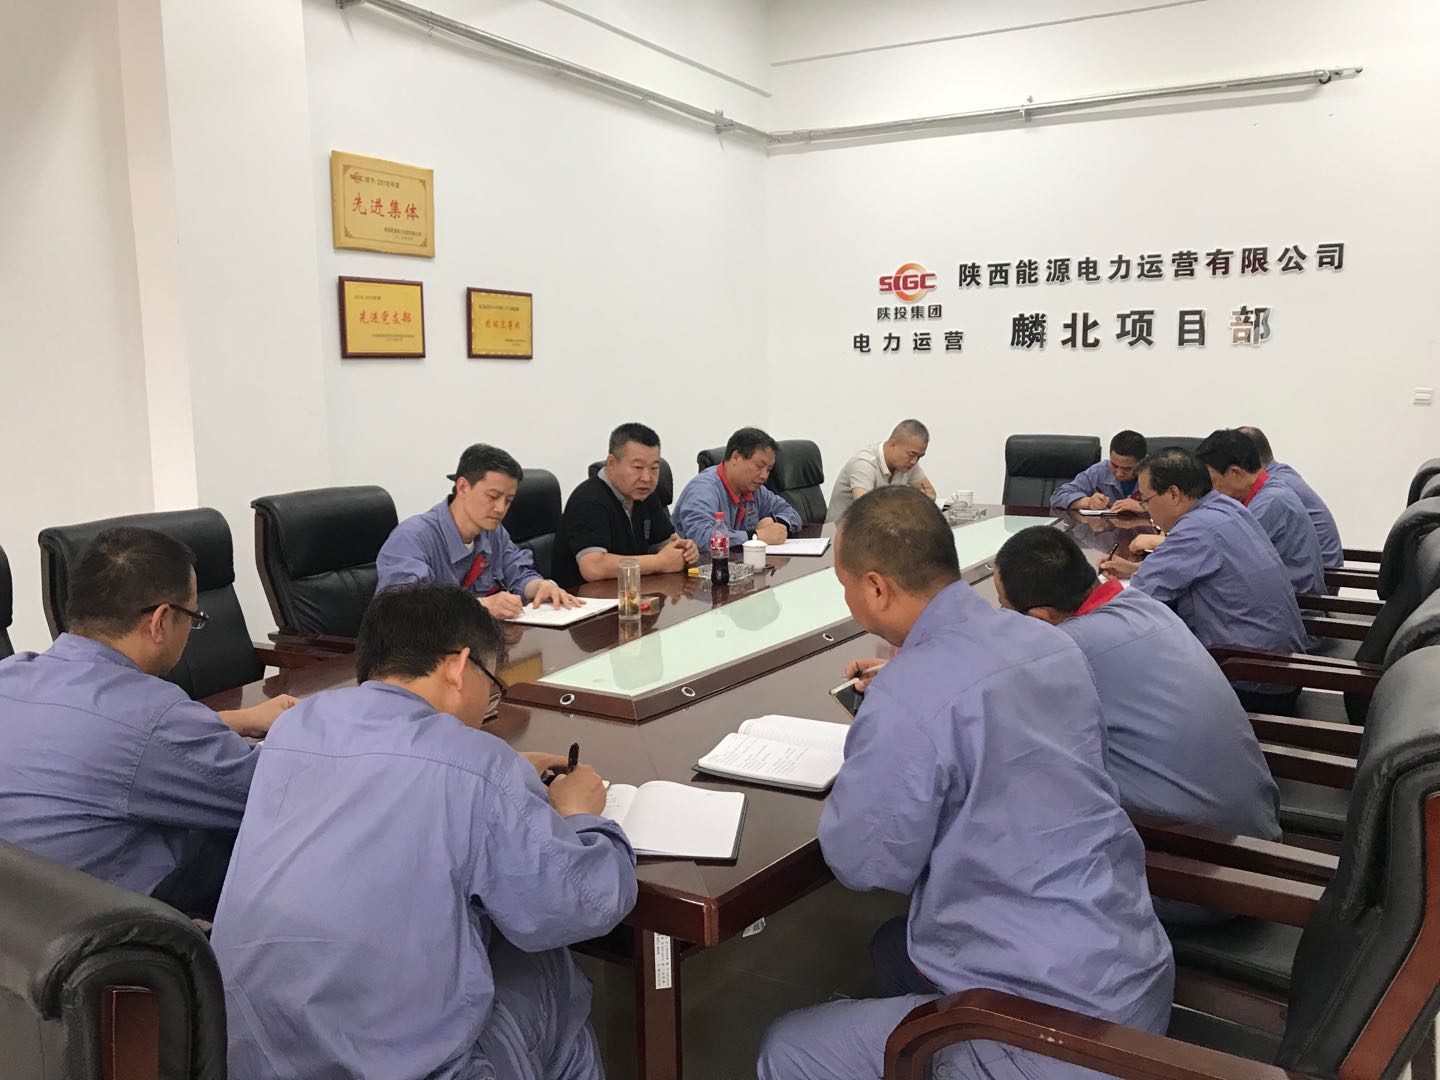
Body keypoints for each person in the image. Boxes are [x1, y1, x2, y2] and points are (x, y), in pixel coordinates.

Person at [758, 488, 1172, 1080]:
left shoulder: (907, 696)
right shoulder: (1049, 642)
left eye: (844, 584)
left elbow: (865, 866)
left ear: (875, 588)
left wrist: (885, 734)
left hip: (1057, 1033)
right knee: (893, 948)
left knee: (786, 1046)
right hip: (1133, 969)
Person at [211, 583, 637, 1079]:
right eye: (492, 688)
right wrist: (580, 814)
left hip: (252, 1054)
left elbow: (387, 777)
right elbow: (584, 904)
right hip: (396, 1069)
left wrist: (494, 776)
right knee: (551, 967)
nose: (487, 706)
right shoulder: (479, 765)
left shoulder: (295, 727)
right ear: (459, 666)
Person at [0, 527, 292, 916]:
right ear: (160, 621)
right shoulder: (153, 713)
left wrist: (231, 720)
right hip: (113, 925)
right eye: (194, 617)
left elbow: (106, 734)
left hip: (23, 921)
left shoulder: (11, 674)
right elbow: (274, 794)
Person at [994, 525, 1280, 922]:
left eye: (1004, 611)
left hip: (1194, 880)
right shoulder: (1144, 606)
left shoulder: (1064, 653)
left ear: (1039, 618)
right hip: (1257, 844)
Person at [1100, 448, 1310, 714]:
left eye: (1146, 500)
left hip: (1249, 680)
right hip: (1280, 668)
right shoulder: (1227, 507)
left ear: (1173, 494)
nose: (1146, 508)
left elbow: (1140, 599)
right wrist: (1134, 569)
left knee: (1118, 679)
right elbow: (1193, 570)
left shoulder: (1195, 529)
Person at [377, 443, 579, 619]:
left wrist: (540, 586)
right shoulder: (411, 538)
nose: (501, 509)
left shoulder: (493, 533)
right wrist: (480, 607)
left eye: (508, 500)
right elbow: (402, 611)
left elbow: (517, 572)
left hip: (477, 644)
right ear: (463, 487)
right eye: (493, 496)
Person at [550, 422, 698, 590]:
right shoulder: (589, 500)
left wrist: (684, 551)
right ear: (611, 463)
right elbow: (593, 567)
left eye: (654, 468)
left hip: (634, 594)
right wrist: (659, 562)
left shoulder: (645, 495)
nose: (646, 478)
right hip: (585, 600)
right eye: (638, 467)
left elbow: (667, 544)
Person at [1195, 428, 1327, 597]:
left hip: (1298, 603)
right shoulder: (1264, 491)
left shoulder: (1271, 502)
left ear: (1235, 473)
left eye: (1213, 481)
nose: (1211, 490)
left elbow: (1225, 555)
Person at [672, 427, 802, 549]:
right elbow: (701, 538)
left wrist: (776, 522)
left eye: (768, 469)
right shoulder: (703, 489)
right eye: (759, 466)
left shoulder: (755, 490)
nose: (764, 476)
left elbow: (792, 513)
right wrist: (756, 536)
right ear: (736, 457)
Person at [1239, 425, 1344, 571]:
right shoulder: (1281, 473)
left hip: (1323, 572)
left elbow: (1244, 540)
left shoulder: (1272, 487)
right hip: (1317, 565)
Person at [825, 419, 937, 523]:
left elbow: (930, 493)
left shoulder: (908, 464)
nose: (914, 461)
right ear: (893, 444)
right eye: (911, 454)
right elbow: (865, 510)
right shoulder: (864, 463)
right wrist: (908, 503)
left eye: (919, 457)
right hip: (843, 531)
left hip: (880, 528)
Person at [1049, 430, 1148, 513]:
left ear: (1142, 462)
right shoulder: (1099, 471)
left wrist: (1144, 507)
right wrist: (1087, 502)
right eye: (1114, 465)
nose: (1119, 473)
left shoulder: (1154, 472)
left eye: (1127, 469)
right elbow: (1057, 496)